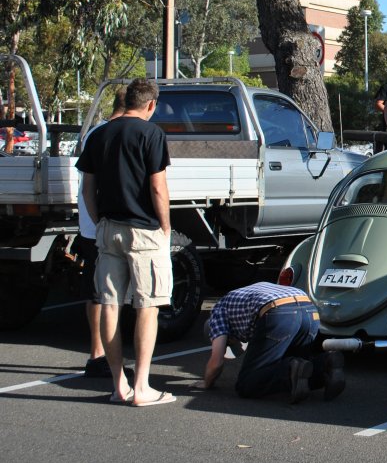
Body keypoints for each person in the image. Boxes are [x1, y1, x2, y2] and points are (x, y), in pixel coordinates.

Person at [76, 78, 174, 407]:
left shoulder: (100, 134)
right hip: (143, 230)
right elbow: (158, 187)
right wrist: (165, 226)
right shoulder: (151, 134)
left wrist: (99, 218)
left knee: (110, 303)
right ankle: (142, 386)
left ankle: (119, 384)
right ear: (150, 104)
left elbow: (88, 188)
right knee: (147, 305)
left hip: (108, 228)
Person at [196, 282, 345, 403]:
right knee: (302, 370)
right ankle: (325, 363)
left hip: (279, 312)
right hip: (308, 309)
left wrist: (206, 383)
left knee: (246, 385)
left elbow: (216, 362)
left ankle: (289, 370)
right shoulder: (242, 297)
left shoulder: (217, 314)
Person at [73, 86, 127, 379]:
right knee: (102, 293)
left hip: (92, 225)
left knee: (100, 292)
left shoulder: (96, 133)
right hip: (100, 226)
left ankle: (100, 353)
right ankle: (99, 355)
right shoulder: (107, 134)